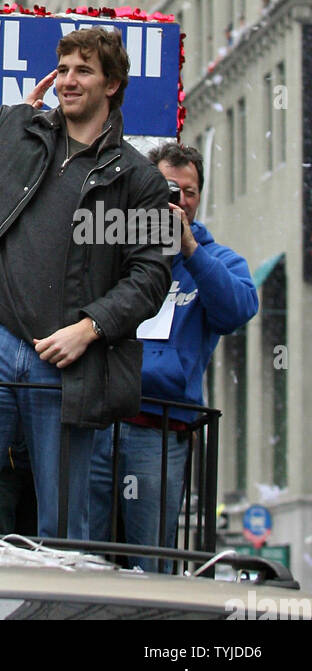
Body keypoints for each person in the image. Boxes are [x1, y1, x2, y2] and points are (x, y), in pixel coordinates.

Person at [0, 0, 173, 540]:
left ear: (112, 84)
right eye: (62, 68)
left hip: (70, 357)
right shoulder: (11, 131)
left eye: (83, 70)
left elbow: (151, 276)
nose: (68, 79)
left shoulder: (139, 180)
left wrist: (90, 328)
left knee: (65, 527)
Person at [90, 140, 258, 570]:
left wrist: (190, 251)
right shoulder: (116, 246)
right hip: (96, 423)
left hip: (159, 432)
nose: (179, 200)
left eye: (190, 192)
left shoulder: (216, 259)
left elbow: (237, 310)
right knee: (81, 558)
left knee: (151, 563)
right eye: (168, 189)